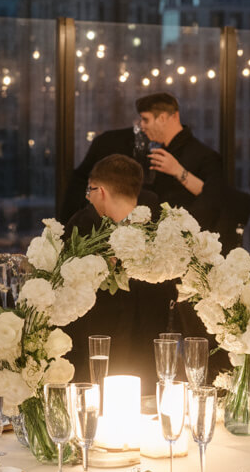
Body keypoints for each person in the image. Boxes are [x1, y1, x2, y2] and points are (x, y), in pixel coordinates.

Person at [65, 155, 172, 393]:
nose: (88, 197)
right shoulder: (163, 227)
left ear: (101, 191)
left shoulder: (82, 226)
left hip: (102, 354)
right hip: (140, 356)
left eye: (90, 190)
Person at [135, 92, 224, 231]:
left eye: (145, 120)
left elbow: (215, 197)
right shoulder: (156, 152)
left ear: (162, 118)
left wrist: (178, 171)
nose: (142, 126)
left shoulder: (206, 156)